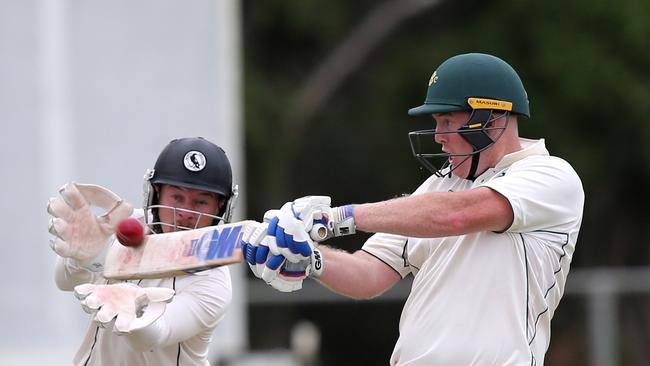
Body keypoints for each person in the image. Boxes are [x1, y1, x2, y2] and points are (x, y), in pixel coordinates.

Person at [243, 53, 585, 365]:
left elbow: (456, 215)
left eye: (448, 122)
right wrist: (310, 258)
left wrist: (336, 218)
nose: (438, 135)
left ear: (492, 119)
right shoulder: (440, 186)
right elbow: (369, 274)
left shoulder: (550, 177)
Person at [47, 137, 238, 365]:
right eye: (177, 197)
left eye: (200, 202)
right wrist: (87, 259)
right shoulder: (128, 225)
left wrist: (133, 311)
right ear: (157, 193)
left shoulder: (213, 279)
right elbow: (63, 282)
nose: (186, 212)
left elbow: (155, 336)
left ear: (221, 206)